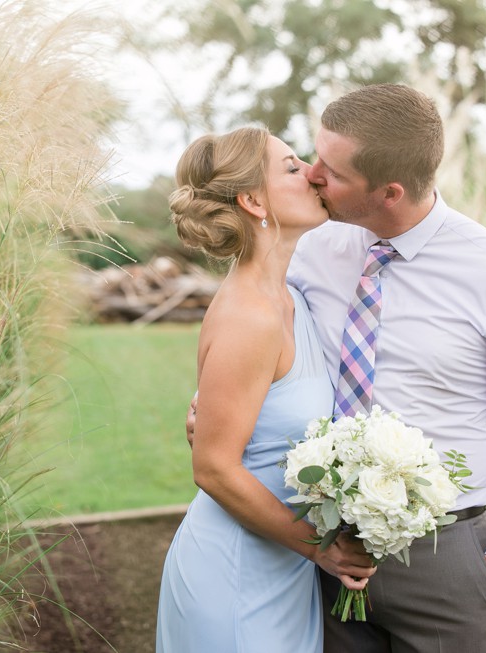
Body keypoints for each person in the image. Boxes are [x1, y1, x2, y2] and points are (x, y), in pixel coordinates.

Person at [186, 84, 486, 652]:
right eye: (312, 156)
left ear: (389, 191)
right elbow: (255, 335)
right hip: (318, 556)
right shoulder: (309, 245)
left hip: (445, 560)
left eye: (333, 170)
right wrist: (213, 406)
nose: (314, 174)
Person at [155, 126, 377, 653]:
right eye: (292, 166)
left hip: (283, 571)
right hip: (235, 574)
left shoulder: (293, 297)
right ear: (253, 200)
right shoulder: (248, 316)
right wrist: (320, 550)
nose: (312, 174)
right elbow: (213, 467)